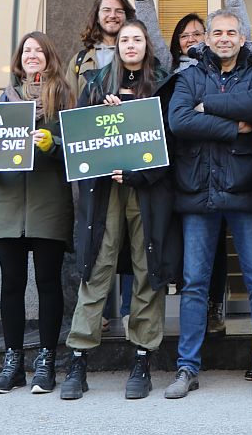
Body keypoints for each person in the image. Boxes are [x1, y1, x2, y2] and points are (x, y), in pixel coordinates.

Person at [61, 20, 182, 400]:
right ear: (116, 45)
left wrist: (139, 175)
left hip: (147, 191)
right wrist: (101, 109)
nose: (131, 45)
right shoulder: (96, 83)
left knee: (148, 271)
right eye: (125, 39)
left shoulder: (164, 83)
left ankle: (142, 359)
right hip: (103, 192)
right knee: (96, 267)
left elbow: (172, 142)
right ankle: (78, 358)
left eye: (138, 39)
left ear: (147, 45)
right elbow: (78, 137)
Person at [165, 8, 252, 399]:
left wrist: (208, 106)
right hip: (198, 191)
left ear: (243, 37)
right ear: (208, 38)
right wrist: (233, 128)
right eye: (218, 32)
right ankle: (187, 368)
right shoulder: (189, 75)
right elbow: (179, 120)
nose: (225, 38)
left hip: (246, 190)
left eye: (232, 32)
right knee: (195, 284)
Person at [0, 32, 75, 395]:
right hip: (9, 204)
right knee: (11, 286)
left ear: (49, 57)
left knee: (48, 285)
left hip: (49, 203)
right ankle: (12, 362)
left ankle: (46, 362)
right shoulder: (5, 98)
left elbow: (79, 148)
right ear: (19, 58)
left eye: (39, 50)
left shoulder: (64, 95)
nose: (32, 56)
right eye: (27, 50)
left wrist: (54, 144)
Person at [66, 0, 169, 98]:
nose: (112, 15)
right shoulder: (80, 60)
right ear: (97, 17)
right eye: (106, 10)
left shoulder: (138, 56)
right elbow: (71, 105)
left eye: (119, 11)